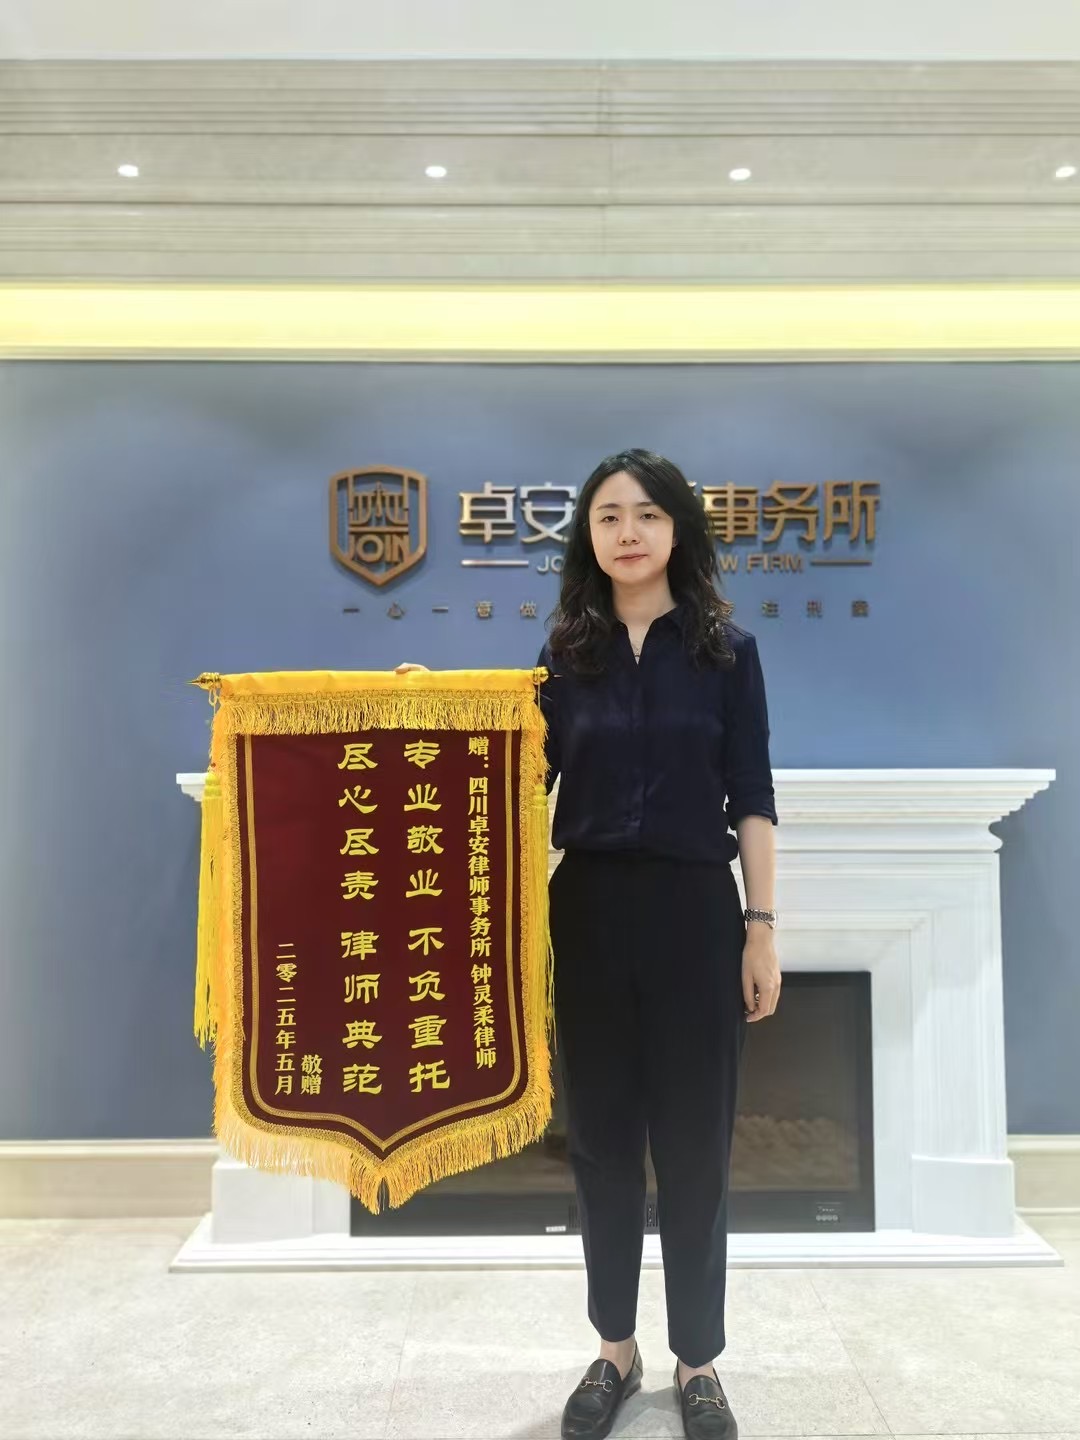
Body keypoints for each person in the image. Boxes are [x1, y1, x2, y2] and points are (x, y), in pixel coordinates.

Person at [395, 448, 780, 1440]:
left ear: (678, 529)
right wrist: (426, 715)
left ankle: (699, 1360)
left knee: (695, 1147)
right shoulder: (566, 655)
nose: (628, 532)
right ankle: (615, 1349)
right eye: (608, 516)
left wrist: (762, 928)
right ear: (589, 538)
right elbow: (513, 774)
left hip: (697, 912)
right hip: (592, 910)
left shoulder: (728, 653)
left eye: (646, 514)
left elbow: (753, 796)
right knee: (603, 1146)